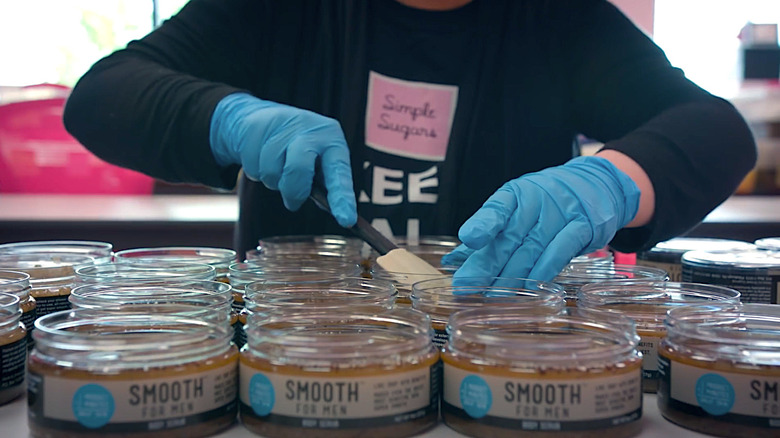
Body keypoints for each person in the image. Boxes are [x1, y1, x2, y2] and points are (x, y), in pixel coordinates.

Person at [63, 0, 756, 281]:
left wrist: (610, 182)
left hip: (494, 348)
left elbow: (718, 132)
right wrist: (227, 119)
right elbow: (101, 96)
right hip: (299, 348)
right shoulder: (278, 10)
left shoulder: (561, 20)